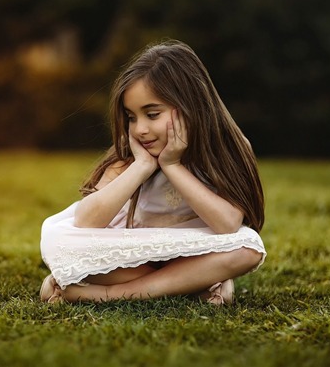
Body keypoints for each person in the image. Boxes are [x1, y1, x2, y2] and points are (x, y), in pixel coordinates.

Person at [39, 39, 266, 305]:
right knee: (70, 248)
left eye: (152, 114)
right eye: (132, 117)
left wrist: (173, 166)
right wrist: (142, 166)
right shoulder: (130, 156)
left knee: (247, 249)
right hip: (134, 255)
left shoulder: (227, 149)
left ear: (190, 107)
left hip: (193, 252)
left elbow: (227, 225)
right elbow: (86, 221)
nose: (140, 129)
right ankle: (197, 285)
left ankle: (110, 295)